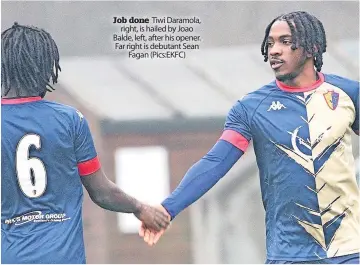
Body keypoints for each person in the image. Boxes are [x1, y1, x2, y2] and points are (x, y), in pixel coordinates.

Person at [139, 11, 360, 264]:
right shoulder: (251, 108)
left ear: (312, 47)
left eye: (285, 42)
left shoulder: (348, 93)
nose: (275, 50)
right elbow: (216, 162)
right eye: (270, 44)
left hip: (350, 252)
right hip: (288, 255)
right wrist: (167, 208)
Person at [1, 22, 170, 264]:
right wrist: (140, 208)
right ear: (46, 66)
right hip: (62, 258)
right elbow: (102, 192)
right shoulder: (69, 120)